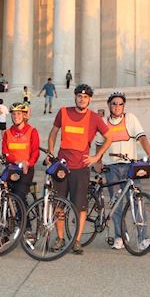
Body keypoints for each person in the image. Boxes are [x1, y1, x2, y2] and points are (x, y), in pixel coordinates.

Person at [48, 83, 111, 255]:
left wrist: (96, 157)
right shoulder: (63, 112)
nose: (82, 99)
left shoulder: (94, 118)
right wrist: (50, 153)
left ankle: (76, 240)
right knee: (59, 204)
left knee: (80, 206)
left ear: (89, 100)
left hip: (81, 167)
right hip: (62, 165)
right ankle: (60, 238)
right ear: (75, 97)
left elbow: (109, 137)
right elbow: (53, 133)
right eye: (79, 96)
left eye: (85, 97)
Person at [97, 91, 150, 250]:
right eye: (114, 103)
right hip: (112, 167)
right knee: (116, 203)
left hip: (131, 166)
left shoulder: (130, 118)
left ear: (124, 106)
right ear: (109, 105)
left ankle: (143, 238)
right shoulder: (103, 121)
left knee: (138, 201)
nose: (117, 106)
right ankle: (120, 236)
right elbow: (98, 144)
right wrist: (98, 161)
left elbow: (142, 138)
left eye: (120, 104)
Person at [2, 102, 40, 207]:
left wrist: (28, 163)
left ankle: (25, 223)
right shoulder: (7, 132)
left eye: (19, 114)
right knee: (7, 192)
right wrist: (16, 161)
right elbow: (5, 151)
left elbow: (35, 151)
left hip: (26, 169)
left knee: (19, 195)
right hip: (12, 168)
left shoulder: (32, 131)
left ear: (24, 115)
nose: (16, 116)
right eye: (13, 114)